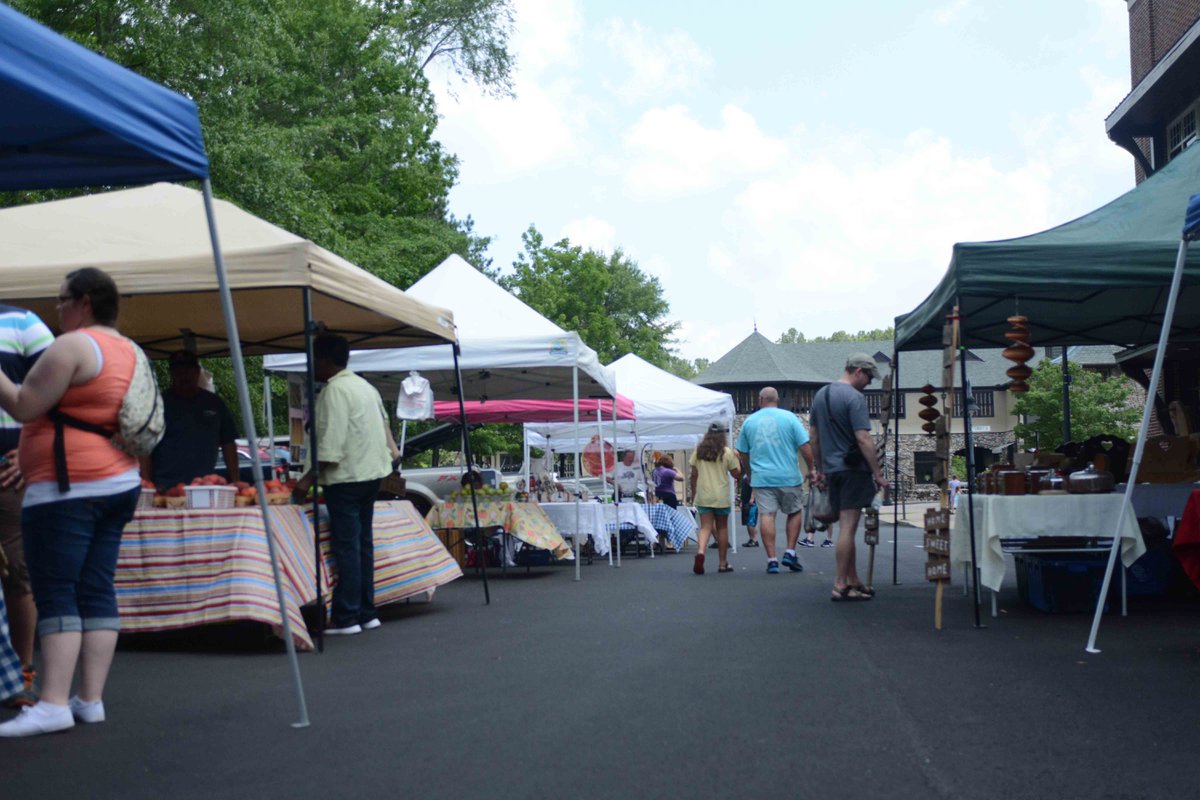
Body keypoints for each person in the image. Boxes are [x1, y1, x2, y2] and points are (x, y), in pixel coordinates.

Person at [0, 268, 143, 736]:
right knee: (97, 588)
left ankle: (53, 704)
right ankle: (90, 699)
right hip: (118, 481)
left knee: (57, 590)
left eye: (61, 301)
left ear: (83, 301)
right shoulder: (126, 348)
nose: (56, 310)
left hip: (68, 486)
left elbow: (22, 405)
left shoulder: (73, 346)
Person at [294, 334, 399, 637]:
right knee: (362, 544)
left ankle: (347, 616)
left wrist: (304, 483)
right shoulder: (366, 387)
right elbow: (383, 427)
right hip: (371, 474)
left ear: (324, 359)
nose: (311, 365)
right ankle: (367, 611)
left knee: (348, 547)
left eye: (314, 358)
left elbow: (329, 446)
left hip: (346, 478)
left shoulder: (334, 391)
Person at [0, 305, 53, 709]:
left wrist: (30, 450)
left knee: (18, 571)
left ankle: (22, 673)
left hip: (8, 471)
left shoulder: (21, 322)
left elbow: (63, 391)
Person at [808, 353, 889, 602]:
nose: (869, 383)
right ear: (858, 371)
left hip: (832, 471)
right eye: (868, 377)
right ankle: (840, 583)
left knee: (846, 528)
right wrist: (877, 473)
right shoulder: (854, 398)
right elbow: (863, 438)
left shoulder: (821, 395)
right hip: (853, 471)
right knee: (848, 527)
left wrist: (819, 467)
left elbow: (814, 437)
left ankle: (853, 580)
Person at [735, 387, 815, 574]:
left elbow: (743, 453)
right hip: (788, 476)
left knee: (767, 515)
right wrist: (812, 468)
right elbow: (805, 446)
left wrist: (749, 473)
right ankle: (789, 551)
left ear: (760, 399)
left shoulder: (749, 422)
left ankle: (772, 560)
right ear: (777, 400)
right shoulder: (790, 418)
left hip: (762, 478)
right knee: (794, 512)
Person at [140, 350, 239, 488]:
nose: (183, 376)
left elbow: (228, 442)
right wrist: (147, 483)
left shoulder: (214, 403)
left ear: (197, 372)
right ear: (172, 374)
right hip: (166, 487)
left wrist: (235, 479)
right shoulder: (157, 405)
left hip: (205, 485)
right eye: (178, 372)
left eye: (188, 371)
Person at [689, 424, 741, 574]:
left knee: (705, 527)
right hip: (721, 495)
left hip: (704, 494)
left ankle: (700, 552)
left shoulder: (699, 451)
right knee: (722, 528)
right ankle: (723, 564)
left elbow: (693, 474)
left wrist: (694, 493)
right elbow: (736, 474)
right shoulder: (727, 452)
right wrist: (738, 460)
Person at [739, 472, 759, 547]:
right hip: (745, 500)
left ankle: (754, 540)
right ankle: (751, 538)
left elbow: (754, 487)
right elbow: (743, 489)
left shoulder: (753, 474)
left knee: (751, 521)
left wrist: (752, 498)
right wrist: (741, 501)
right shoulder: (745, 475)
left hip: (751, 502)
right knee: (747, 521)